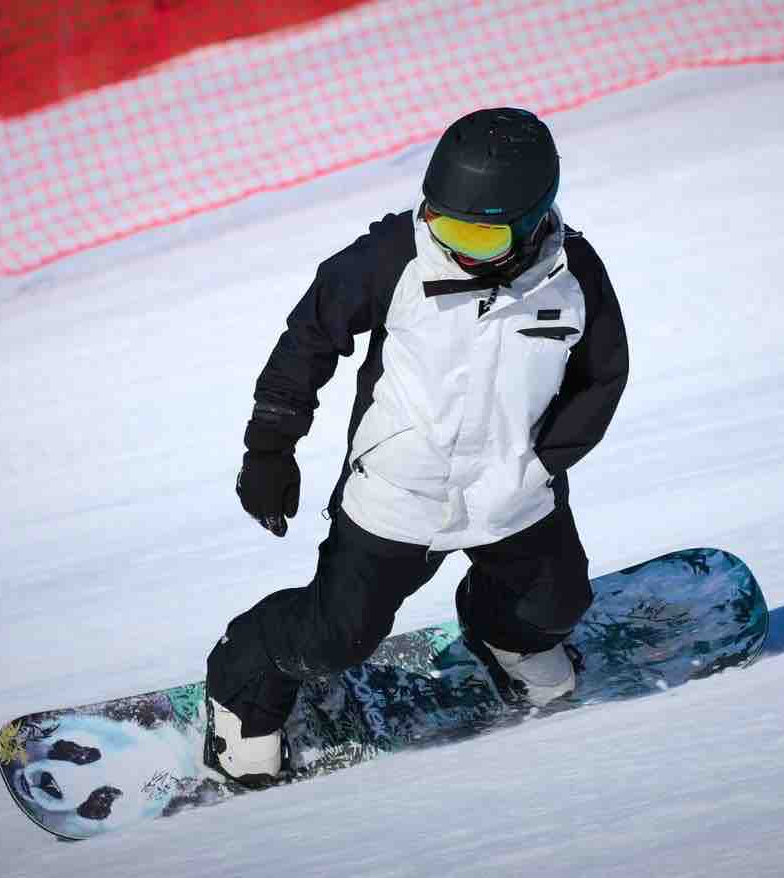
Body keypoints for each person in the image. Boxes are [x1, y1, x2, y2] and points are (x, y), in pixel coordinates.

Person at [204, 107, 629, 782]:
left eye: (475, 235)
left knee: (555, 606)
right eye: (440, 220)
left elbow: (602, 378)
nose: (449, 243)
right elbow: (307, 340)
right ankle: (244, 673)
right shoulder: (394, 256)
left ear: (530, 222)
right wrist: (270, 449)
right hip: (398, 496)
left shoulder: (574, 275)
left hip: (512, 497)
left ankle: (502, 636)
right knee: (334, 640)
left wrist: (538, 465)